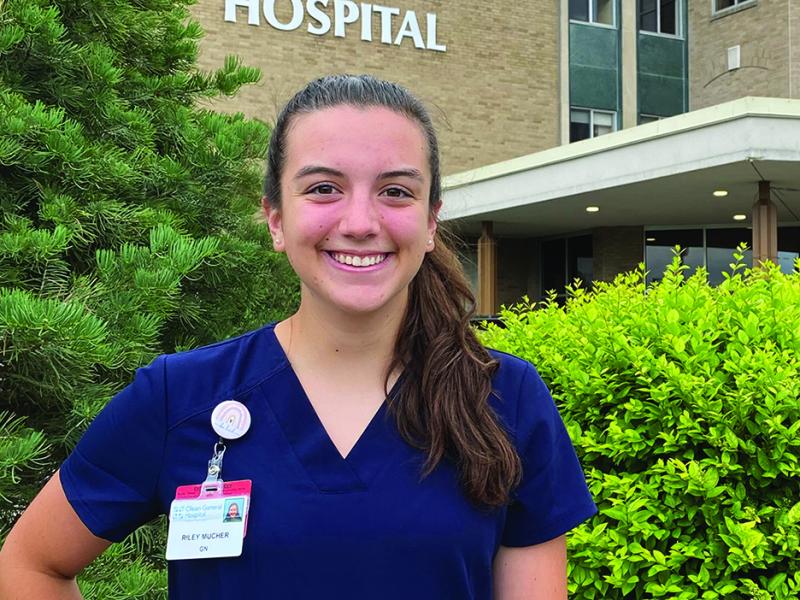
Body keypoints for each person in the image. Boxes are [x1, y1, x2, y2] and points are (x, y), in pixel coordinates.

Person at [0, 74, 596, 599]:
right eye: (322, 188)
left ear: (431, 220)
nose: (360, 223)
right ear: (276, 220)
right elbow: (29, 565)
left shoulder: (506, 399)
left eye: (395, 191)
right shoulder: (178, 398)